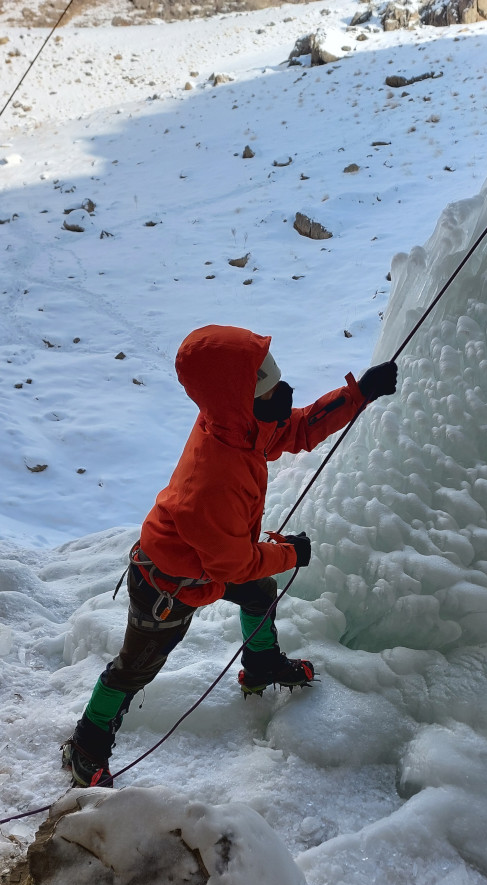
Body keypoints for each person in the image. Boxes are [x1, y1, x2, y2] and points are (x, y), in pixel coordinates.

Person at [61, 324, 397, 788]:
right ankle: (87, 742)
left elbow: (296, 428)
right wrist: (289, 553)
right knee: (134, 669)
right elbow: (233, 564)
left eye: (276, 380)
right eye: (269, 386)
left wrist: (358, 394)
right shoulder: (213, 479)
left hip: (206, 566)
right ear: (240, 396)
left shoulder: (238, 423)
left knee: (259, 593)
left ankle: (260, 665)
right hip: (168, 584)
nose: (281, 392)